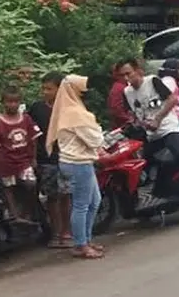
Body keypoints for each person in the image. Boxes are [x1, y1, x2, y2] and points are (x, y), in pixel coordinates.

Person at [117, 58, 179, 209]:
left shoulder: (152, 82)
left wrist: (158, 119)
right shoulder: (127, 92)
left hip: (168, 128)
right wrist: (136, 123)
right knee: (142, 164)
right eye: (122, 76)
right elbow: (133, 113)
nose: (126, 78)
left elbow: (172, 99)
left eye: (128, 74)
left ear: (137, 71)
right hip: (151, 134)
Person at [46, 75, 106, 259]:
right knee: (81, 205)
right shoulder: (75, 113)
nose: (83, 93)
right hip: (78, 163)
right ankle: (81, 244)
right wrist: (99, 134)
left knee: (93, 201)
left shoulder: (68, 110)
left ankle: (85, 240)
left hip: (77, 162)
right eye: (81, 90)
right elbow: (95, 138)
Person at [28, 72, 73, 249]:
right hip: (46, 160)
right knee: (52, 197)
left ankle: (67, 231)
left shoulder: (68, 108)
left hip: (65, 157)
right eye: (43, 88)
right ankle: (56, 233)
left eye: (49, 88)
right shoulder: (37, 108)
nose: (45, 92)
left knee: (66, 196)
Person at [0, 86, 41, 223]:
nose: (12, 105)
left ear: (20, 102)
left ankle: (27, 213)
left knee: (31, 184)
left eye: (15, 101)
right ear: (3, 102)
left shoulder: (26, 119)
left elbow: (34, 140)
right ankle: (14, 215)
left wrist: (34, 158)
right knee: (8, 187)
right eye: (9, 101)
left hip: (24, 160)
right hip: (6, 161)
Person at [107, 65, 131, 129]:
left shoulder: (124, 86)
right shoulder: (119, 88)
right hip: (124, 127)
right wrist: (130, 120)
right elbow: (116, 109)